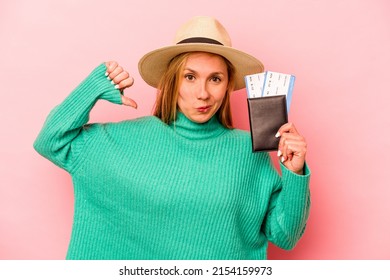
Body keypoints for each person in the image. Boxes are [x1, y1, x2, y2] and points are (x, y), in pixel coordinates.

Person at [34, 16, 310, 260]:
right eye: (190, 77)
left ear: (227, 85)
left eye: (215, 79)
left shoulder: (250, 152)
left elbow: (285, 236)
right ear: (172, 80)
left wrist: (295, 173)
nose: (203, 93)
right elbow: (50, 141)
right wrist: (92, 89)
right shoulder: (120, 141)